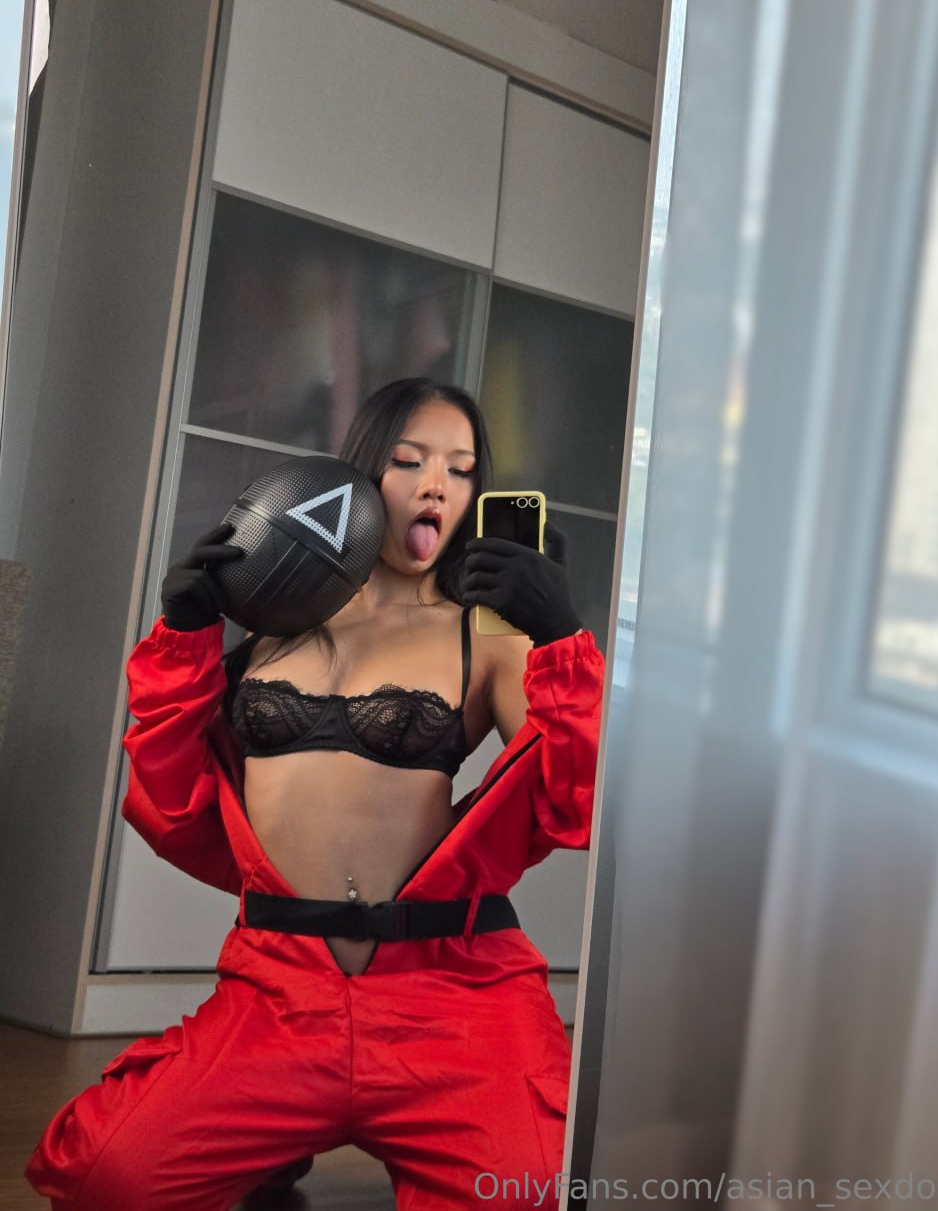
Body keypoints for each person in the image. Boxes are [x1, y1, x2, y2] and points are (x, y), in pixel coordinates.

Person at [26, 378, 604, 1211]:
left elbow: (576, 798)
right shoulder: (273, 622)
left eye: (461, 469)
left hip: (449, 996)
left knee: (533, 1192)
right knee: (107, 1178)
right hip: (281, 991)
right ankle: (276, 1140)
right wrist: (185, 631)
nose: (435, 485)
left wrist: (561, 638)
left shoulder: (488, 636)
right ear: (360, 476)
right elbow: (172, 799)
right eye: (408, 460)